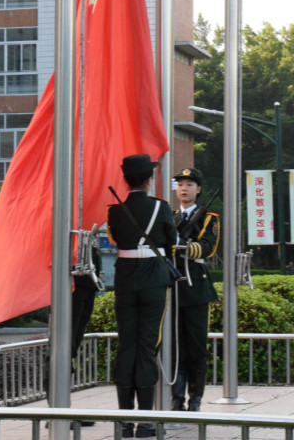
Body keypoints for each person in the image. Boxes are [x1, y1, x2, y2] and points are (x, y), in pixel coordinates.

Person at [107, 154, 176, 438]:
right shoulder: (161, 207)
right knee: (147, 346)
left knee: (127, 345)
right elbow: (171, 241)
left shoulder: (115, 211)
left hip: (125, 281)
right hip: (154, 282)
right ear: (149, 179)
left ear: (125, 179)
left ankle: (125, 421)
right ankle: (146, 421)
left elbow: (114, 239)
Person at [171, 167, 219, 412]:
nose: (184, 189)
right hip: (172, 288)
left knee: (197, 348)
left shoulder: (208, 218)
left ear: (198, 189)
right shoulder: (169, 217)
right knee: (174, 346)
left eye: (189, 184)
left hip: (195, 287)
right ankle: (176, 399)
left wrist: (183, 246)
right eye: (180, 184)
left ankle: (195, 399)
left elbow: (207, 248)